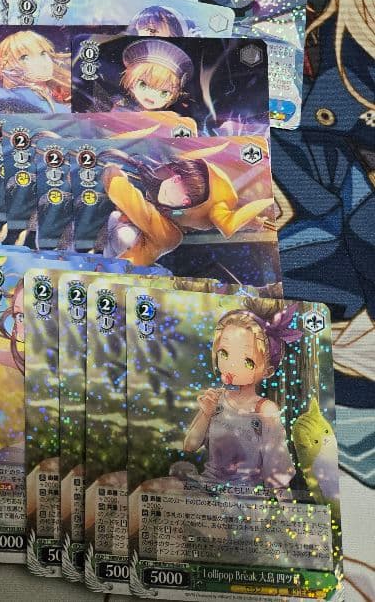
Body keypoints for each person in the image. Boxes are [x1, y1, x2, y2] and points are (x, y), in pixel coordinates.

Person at [175, 301, 301, 490]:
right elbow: (189, 446)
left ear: (267, 371)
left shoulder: (264, 409)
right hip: (207, 487)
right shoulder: (216, 399)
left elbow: (277, 469)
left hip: (244, 495)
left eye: (247, 361)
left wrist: (281, 502)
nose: (230, 365)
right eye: (224, 353)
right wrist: (206, 414)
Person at [103, 154, 276, 266]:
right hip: (113, 245)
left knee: (124, 232)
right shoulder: (172, 212)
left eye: (186, 200)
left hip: (119, 261)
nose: (172, 189)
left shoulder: (168, 234)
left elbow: (135, 204)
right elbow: (174, 211)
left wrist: (115, 178)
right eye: (178, 180)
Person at [113, 38, 192, 111]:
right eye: (143, 85)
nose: (151, 95)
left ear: (172, 96)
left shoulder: (171, 117)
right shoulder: (119, 104)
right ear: (131, 83)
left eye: (164, 93)